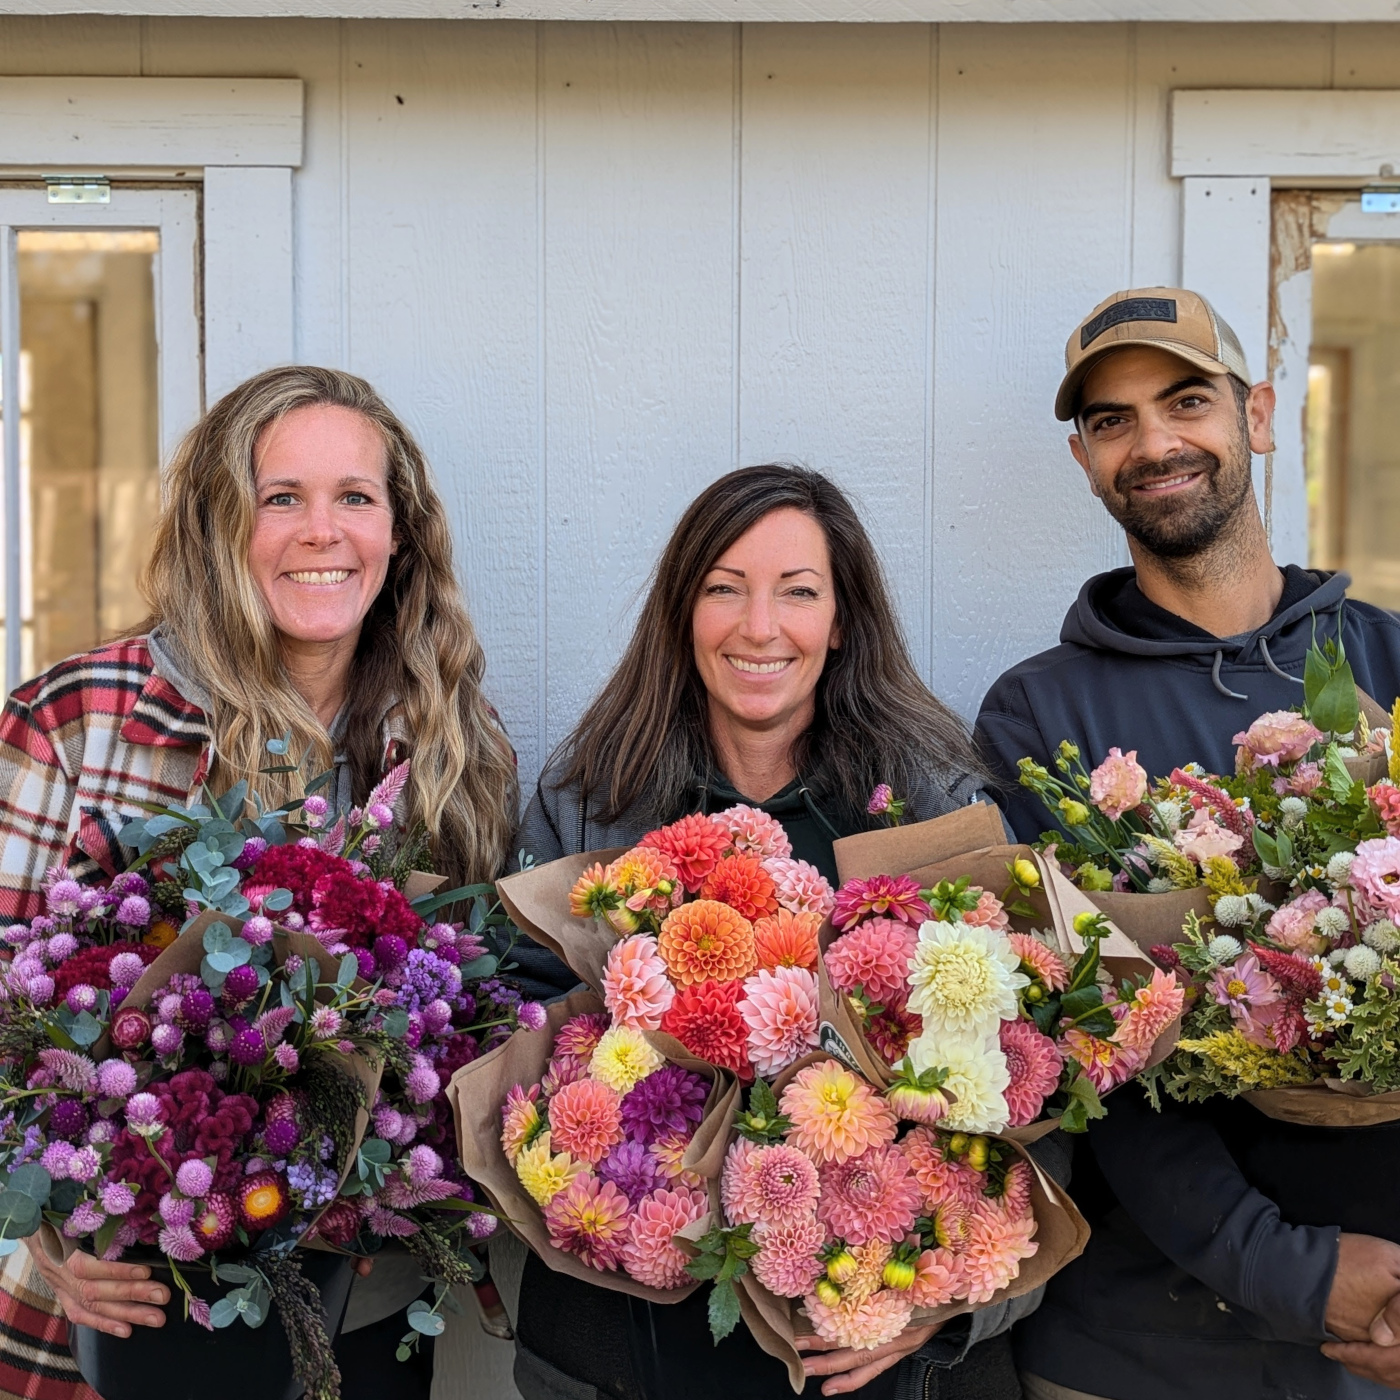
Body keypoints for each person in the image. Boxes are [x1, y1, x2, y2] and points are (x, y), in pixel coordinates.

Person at [0, 365, 519, 1400]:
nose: (320, 531)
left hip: (357, 1316)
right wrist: (37, 1223)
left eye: (354, 498)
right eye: (279, 497)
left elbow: (475, 1037)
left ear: (399, 534)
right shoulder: (76, 720)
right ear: (216, 526)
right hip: (115, 1313)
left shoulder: (455, 753)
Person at [512, 463, 1066, 1400]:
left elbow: (1034, 1072)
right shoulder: (588, 803)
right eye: (724, 589)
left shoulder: (932, 801)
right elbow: (518, 1044)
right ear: (681, 613)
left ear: (843, 620)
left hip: (868, 1350)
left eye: (797, 593)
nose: (759, 627)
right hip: (634, 1340)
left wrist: (945, 1310)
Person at [974, 287, 1400, 1399]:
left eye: (1184, 399)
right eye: (1110, 420)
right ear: (1081, 457)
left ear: (1256, 414)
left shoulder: (1388, 668)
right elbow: (1088, 1043)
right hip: (1137, 1348)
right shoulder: (1034, 726)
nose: (1152, 441)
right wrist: (1291, 1271)